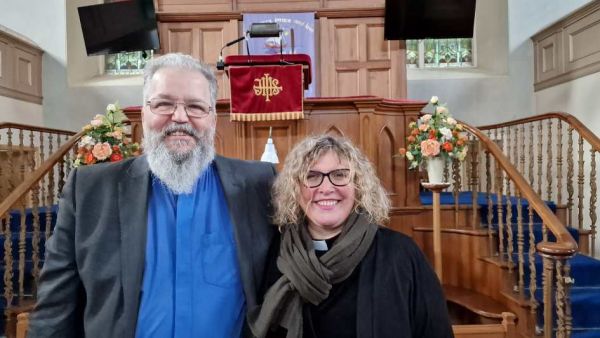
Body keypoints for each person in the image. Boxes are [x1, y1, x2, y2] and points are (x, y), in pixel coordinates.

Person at [27, 53, 276, 338]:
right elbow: (54, 308)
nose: (180, 117)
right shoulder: (90, 191)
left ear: (213, 118)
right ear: (144, 114)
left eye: (195, 106)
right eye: (164, 104)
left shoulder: (258, 186)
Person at [249, 135, 453, 338]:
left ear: (359, 185)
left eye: (339, 175)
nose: (326, 188)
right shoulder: (279, 253)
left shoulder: (400, 254)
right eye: (311, 176)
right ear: (295, 189)